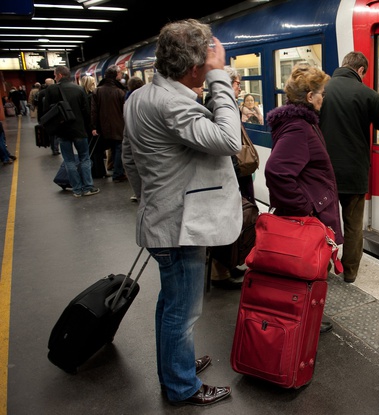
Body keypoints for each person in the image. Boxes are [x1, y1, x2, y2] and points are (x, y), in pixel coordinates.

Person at [121, 19, 241, 407]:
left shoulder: (139, 97)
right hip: (179, 228)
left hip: (164, 220)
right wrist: (220, 78)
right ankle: (181, 386)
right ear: (194, 69)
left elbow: (129, 158)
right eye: (206, 62)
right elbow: (228, 139)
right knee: (182, 313)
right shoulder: (172, 103)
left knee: (170, 304)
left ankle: (177, 365)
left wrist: (150, 199)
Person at [265, 63, 343, 334]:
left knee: (307, 268)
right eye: (321, 92)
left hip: (314, 208)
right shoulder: (299, 127)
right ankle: (302, 320)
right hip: (312, 214)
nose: (324, 97)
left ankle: (304, 315)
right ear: (310, 96)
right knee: (309, 268)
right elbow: (277, 171)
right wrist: (306, 207)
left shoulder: (300, 122)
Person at [320, 51, 379, 283]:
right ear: (361, 70)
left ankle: (321, 267)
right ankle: (349, 272)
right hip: (354, 173)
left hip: (324, 173)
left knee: (324, 223)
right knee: (354, 225)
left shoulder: (322, 90)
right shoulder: (368, 94)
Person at [208, 65, 259, 290]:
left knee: (235, 220)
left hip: (234, 170)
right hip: (229, 171)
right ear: (227, 84)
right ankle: (219, 273)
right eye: (238, 83)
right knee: (227, 220)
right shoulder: (219, 105)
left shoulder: (223, 104)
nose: (240, 87)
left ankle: (230, 263)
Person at [43, 66, 100, 197]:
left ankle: (77, 189)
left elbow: (47, 112)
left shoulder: (51, 90)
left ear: (60, 75)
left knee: (69, 161)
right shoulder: (79, 89)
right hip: (79, 130)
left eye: (55, 75)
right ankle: (88, 187)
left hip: (62, 131)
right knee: (84, 158)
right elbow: (86, 112)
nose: (54, 77)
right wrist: (91, 128)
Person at [92, 64, 126, 182]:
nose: (121, 75)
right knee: (118, 149)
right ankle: (118, 173)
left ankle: (104, 171)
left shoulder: (97, 91)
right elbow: (124, 110)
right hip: (118, 126)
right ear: (116, 75)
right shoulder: (120, 92)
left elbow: (94, 111)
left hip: (103, 126)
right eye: (120, 73)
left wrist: (94, 127)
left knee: (105, 149)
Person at [81, 76, 107, 179]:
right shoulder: (91, 97)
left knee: (90, 150)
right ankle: (99, 171)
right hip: (93, 128)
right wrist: (95, 127)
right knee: (97, 151)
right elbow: (93, 114)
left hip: (86, 128)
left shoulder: (82, 96)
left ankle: (93, 171)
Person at [37, 78, 58, 154]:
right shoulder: (56, 91)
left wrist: (39, 118)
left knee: (51, 133)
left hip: (46, 116)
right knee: (56, 133)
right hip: (55, 115)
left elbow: (39, 106)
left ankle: (53, 147)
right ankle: (55, 148)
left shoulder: (41, 93)